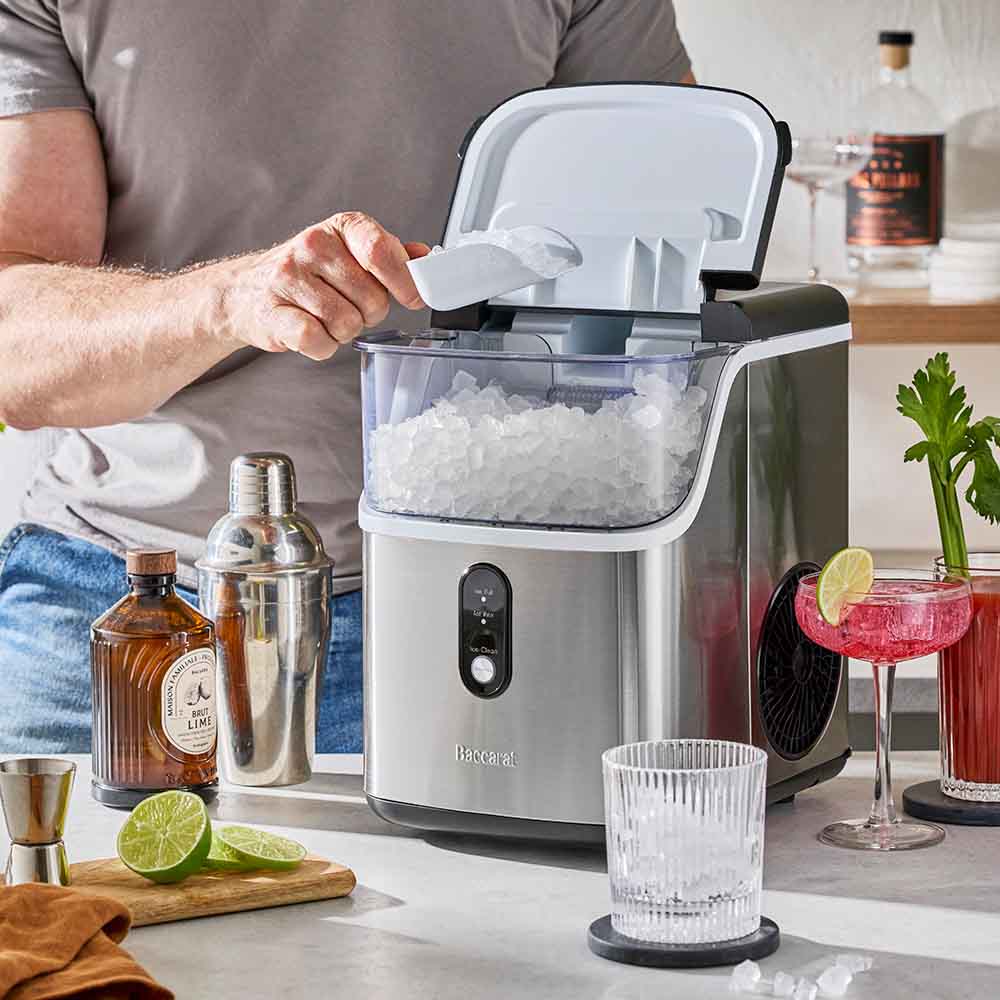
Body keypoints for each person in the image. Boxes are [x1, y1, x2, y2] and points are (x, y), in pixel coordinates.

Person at [0, 1, 692, 753]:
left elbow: (672, 245)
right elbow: (18, 353)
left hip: (485, 602)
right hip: (121, 606)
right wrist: (225, 300)